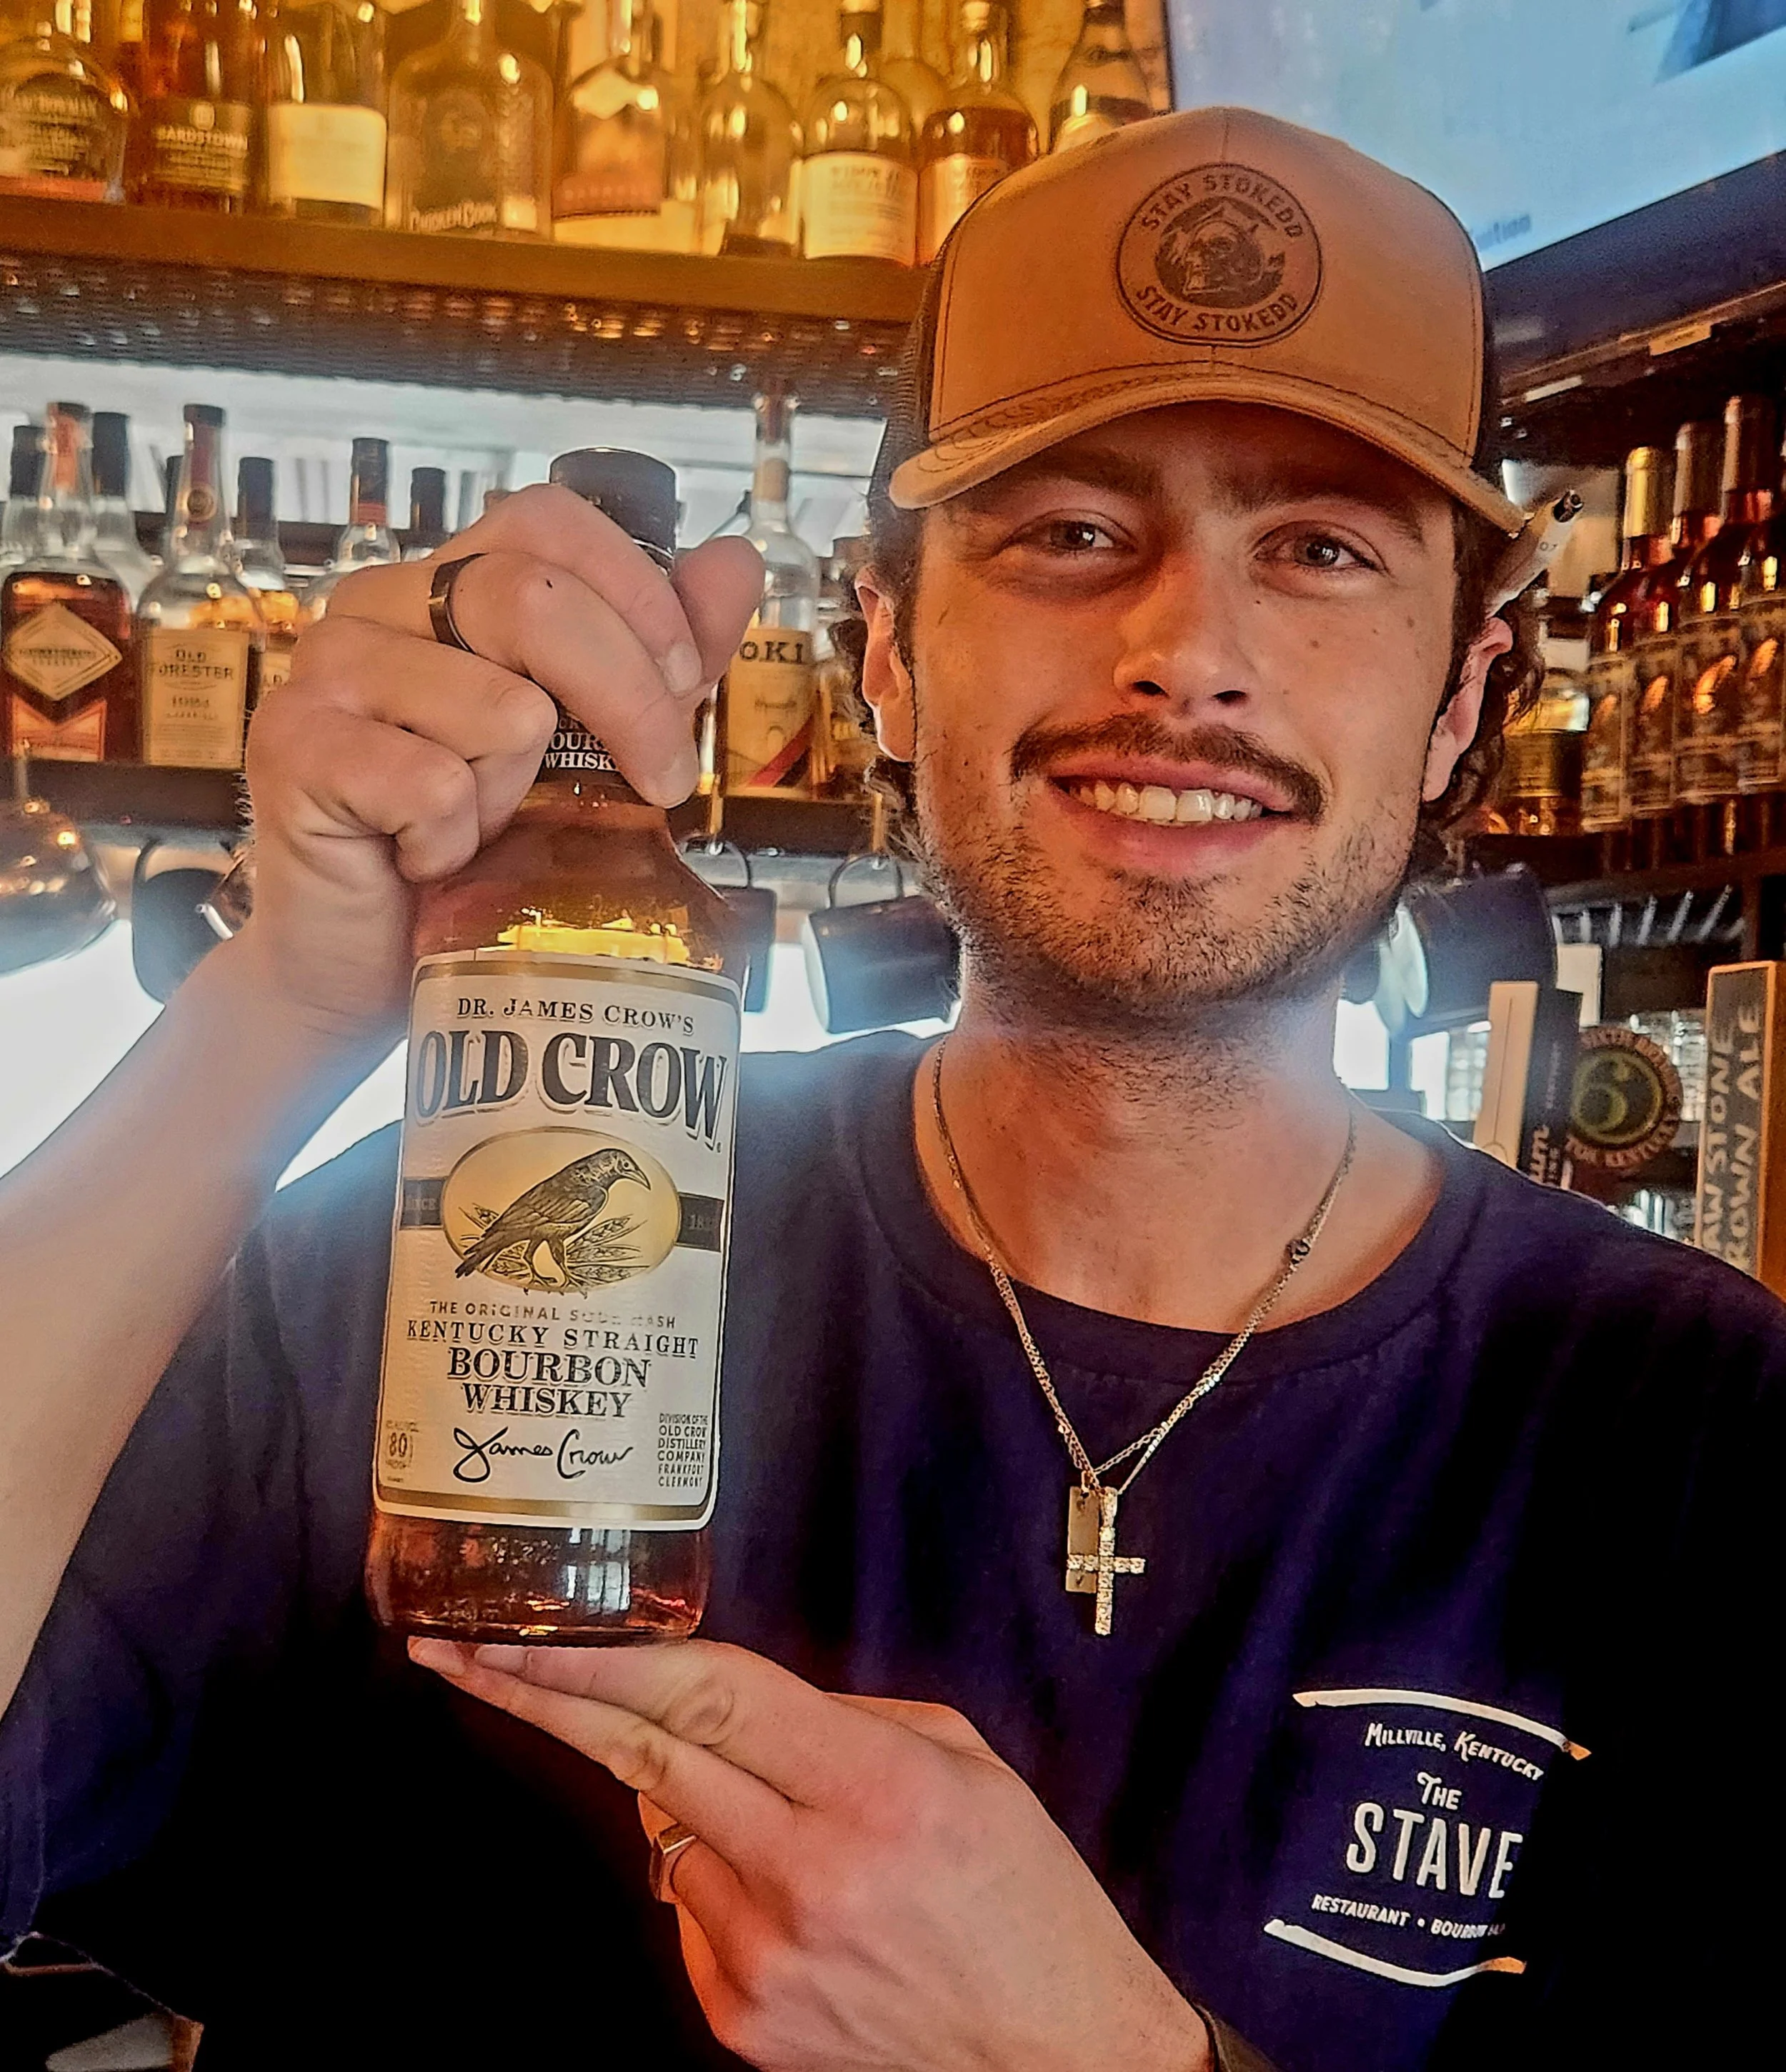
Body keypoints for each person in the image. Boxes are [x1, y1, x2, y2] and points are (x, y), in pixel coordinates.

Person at [0, 106, 1778, 2072]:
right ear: (885, 659)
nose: (1188, 650)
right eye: (1070, 534)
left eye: (1321, 551)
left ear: (1460, 693)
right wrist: (275, 1004)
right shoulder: (458, 1267)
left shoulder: (1694, 1431)